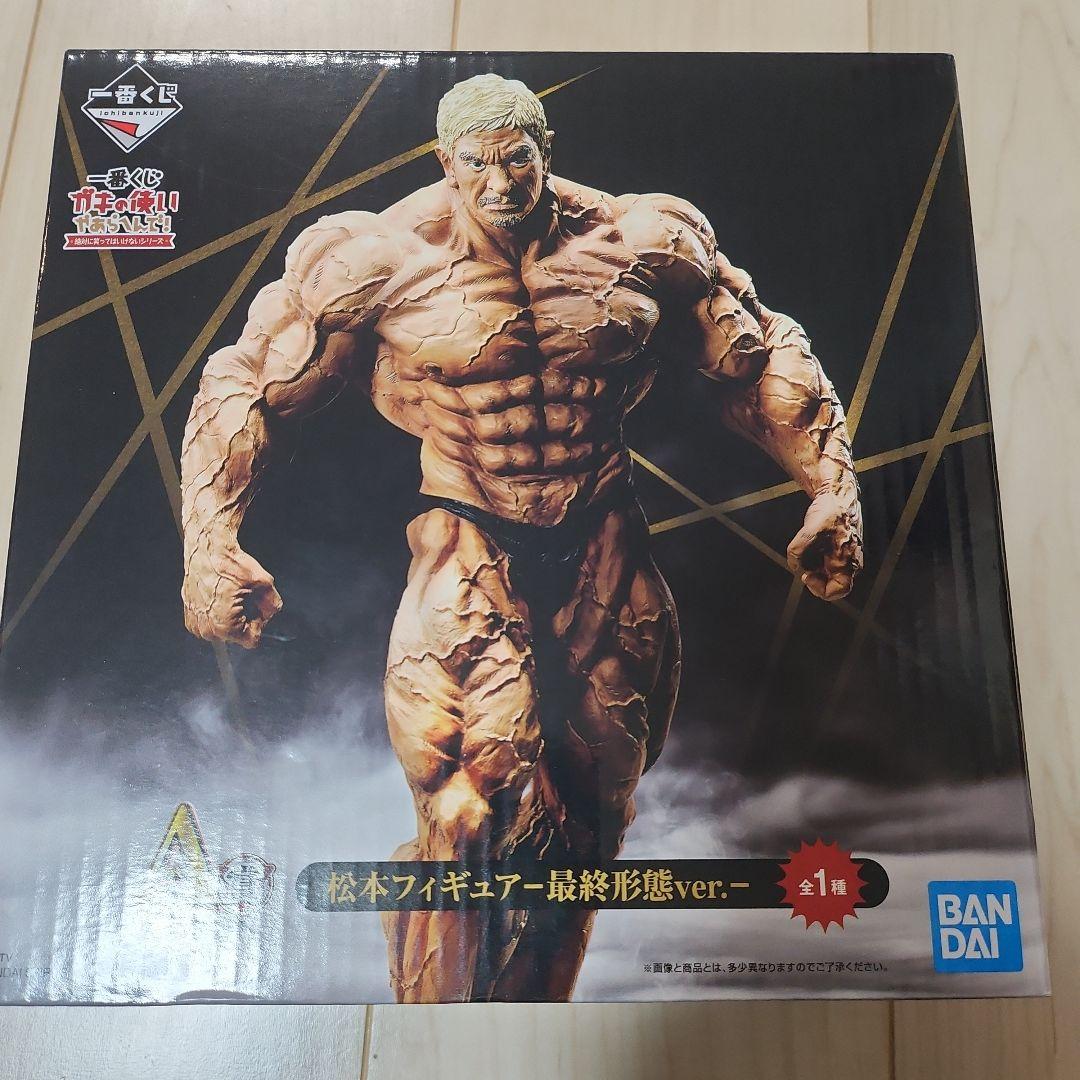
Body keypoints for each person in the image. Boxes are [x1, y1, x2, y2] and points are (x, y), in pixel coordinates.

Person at [179, 72, 863, 1002]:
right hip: (467, 533)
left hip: (603, 535)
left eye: (518, 161)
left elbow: (757, 353)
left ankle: (528, 1031)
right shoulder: (375, 257)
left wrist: (831, 488)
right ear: (444, 162)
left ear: (547, 151)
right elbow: (250, 386)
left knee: (589, 828)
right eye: (478, 164)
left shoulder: (641, 239)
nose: (500, 184)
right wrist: (208, 540)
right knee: (469, 806)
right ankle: (439, 1034)